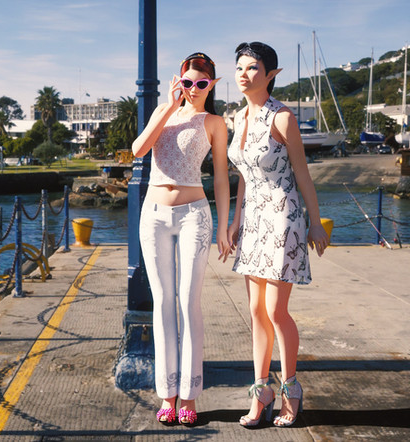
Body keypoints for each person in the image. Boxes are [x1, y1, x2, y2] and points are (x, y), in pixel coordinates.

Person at [227, 42, 329, 428]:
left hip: (283, 217)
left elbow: (303, 174)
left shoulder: (282, 117)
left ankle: (290, 388)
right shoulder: (238, 116)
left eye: (253, 67)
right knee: (255, 311)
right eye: (240, 67)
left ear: (271, 74)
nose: (244, 74)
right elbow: (243, 175)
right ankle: (261, 392)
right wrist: (235, 220)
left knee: (275, 310)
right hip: (253, 221)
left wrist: (315, 223)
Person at [132, 52, 231, 426]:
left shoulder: (215, 123)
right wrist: (168, 107)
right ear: (179, 81)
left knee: (189, 303)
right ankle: (166, 394)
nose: (194, 88)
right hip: (154, 215)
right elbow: (138, 150)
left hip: (195, 215)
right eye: (188, 82)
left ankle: (189, 394)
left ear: (212, 85)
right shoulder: (164, 112)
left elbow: (220, 177)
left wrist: (223, 226)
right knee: (162, 303)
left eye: (201, 83)